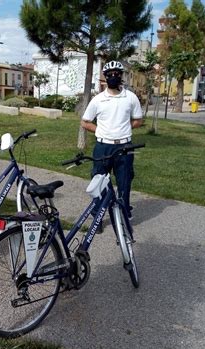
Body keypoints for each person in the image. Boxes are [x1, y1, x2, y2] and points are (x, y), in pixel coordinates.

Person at [81, 60, 143, 226]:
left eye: (116, 74)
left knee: (124, 181)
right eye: (109, 75)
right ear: (105, 77)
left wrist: (123, 128)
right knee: (99, 181)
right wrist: (100, 130)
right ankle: (97, 215)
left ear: (121, 76)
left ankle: (123, 213)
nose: (113, 77)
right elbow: (85, 122)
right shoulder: (98, 100)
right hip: (103, 146)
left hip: (124, 146)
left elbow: (138, 120)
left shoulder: (130, 97)